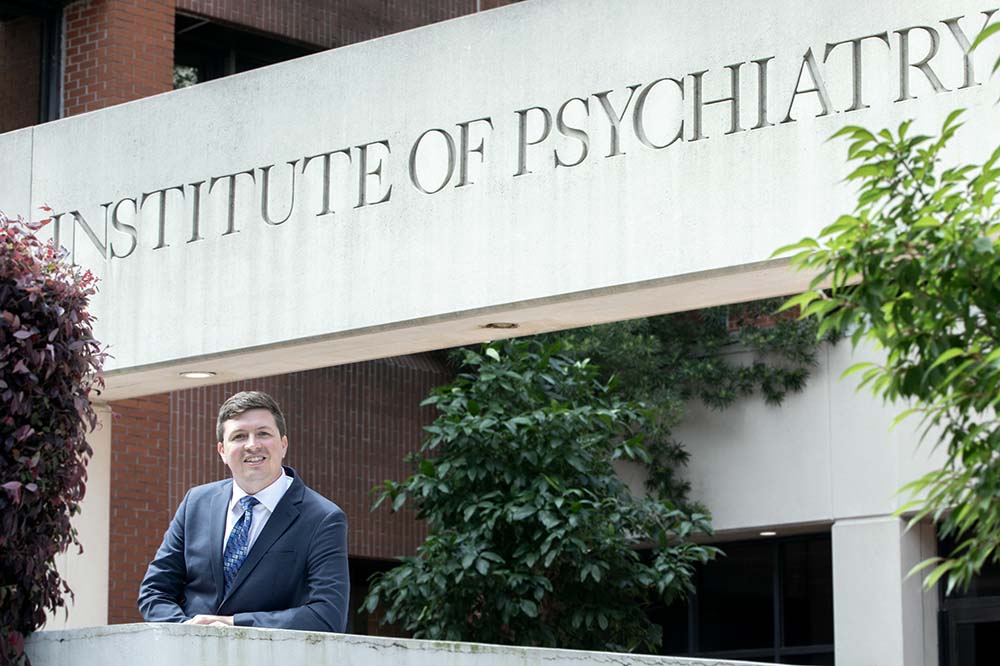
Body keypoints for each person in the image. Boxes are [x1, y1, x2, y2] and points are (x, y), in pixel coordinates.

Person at [138, 391, 349, 632]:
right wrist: (190, 630)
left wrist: (233, 624)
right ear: (222, 451)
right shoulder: (195, 503)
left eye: (263, 433)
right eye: (239, 436)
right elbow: (154, 592)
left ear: (283, 444)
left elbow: (327, 615)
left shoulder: (323, 518)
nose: (252, 445)